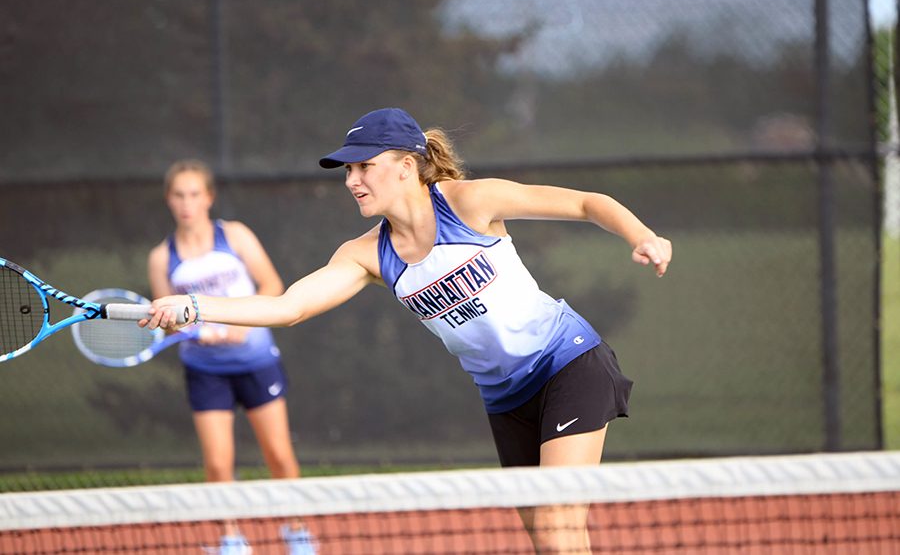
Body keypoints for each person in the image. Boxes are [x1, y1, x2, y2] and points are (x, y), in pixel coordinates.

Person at [146, 109, 672, 554]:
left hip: (568, 364)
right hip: (505, 397)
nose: (352, 180)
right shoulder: (365, 254)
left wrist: (643, 235)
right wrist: (195, 306)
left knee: (558, 530)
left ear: (405, 165)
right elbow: (288, 307)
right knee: (547, 538)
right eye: (348, 169)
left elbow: (585, 202)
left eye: (364, 166)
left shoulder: (469, 203)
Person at [148, 160, 312, 554]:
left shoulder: (234, 236)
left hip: (257, 362)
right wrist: (185, 328)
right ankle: (232, 540)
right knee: (219, 464)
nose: (187, 203)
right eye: (179, 195)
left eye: (194, 194)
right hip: (205, 372)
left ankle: (297, 534)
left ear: (208, 197)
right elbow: (166, 321)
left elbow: (273, 284)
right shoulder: (161, 257)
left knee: (278, 455)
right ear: (169, 200)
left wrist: (245, 324)